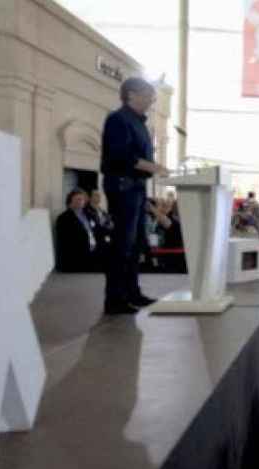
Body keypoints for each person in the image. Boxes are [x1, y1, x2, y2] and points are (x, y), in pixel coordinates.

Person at [100, 77, 168, 314]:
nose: (152, 99)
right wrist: (154, 167)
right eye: (148, 94)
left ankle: (132, 292)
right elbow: (120, 156)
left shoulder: (140, 123)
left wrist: (152, 167)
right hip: (123, 186)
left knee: (136, 243)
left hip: (137, 187)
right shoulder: (118, 120)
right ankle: (115, 299)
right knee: (122, 244)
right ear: (131, 94)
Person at [55, 188, 102, 273]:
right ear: (70, 202)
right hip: (76, 256)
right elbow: (67, 241)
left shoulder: (88, 215)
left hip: (93, 251)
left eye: (82, 199)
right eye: (77, 199)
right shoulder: (64, 218)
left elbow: (97, 231)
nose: (80, 201)